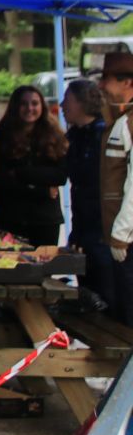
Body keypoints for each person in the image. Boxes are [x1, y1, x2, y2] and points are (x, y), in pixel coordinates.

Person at [0, 84, 69, 246]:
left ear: (42, 106)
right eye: (23, 104)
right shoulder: (1, 136)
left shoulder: (55, 136)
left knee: (45, 263)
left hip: (45, 220)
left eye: (34, 103)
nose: (29, 108)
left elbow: (60, 176)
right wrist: (42, 189)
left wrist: (20, 173)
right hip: (11, 217)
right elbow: (1, 179)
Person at [62, 78, 114, 314]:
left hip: (101, 230)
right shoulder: (75, 136)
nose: (62, 105)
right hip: (82, 229)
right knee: (87, 293)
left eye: (68, 100)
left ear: (82, 102)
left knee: (106, 294)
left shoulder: (102, 135)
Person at [95, 52, 133, 326]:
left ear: (127, 83)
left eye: (106, 79)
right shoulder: (123, 119)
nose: (101, 85)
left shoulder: (130, 122)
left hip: (129, 240)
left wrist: (121, 233)